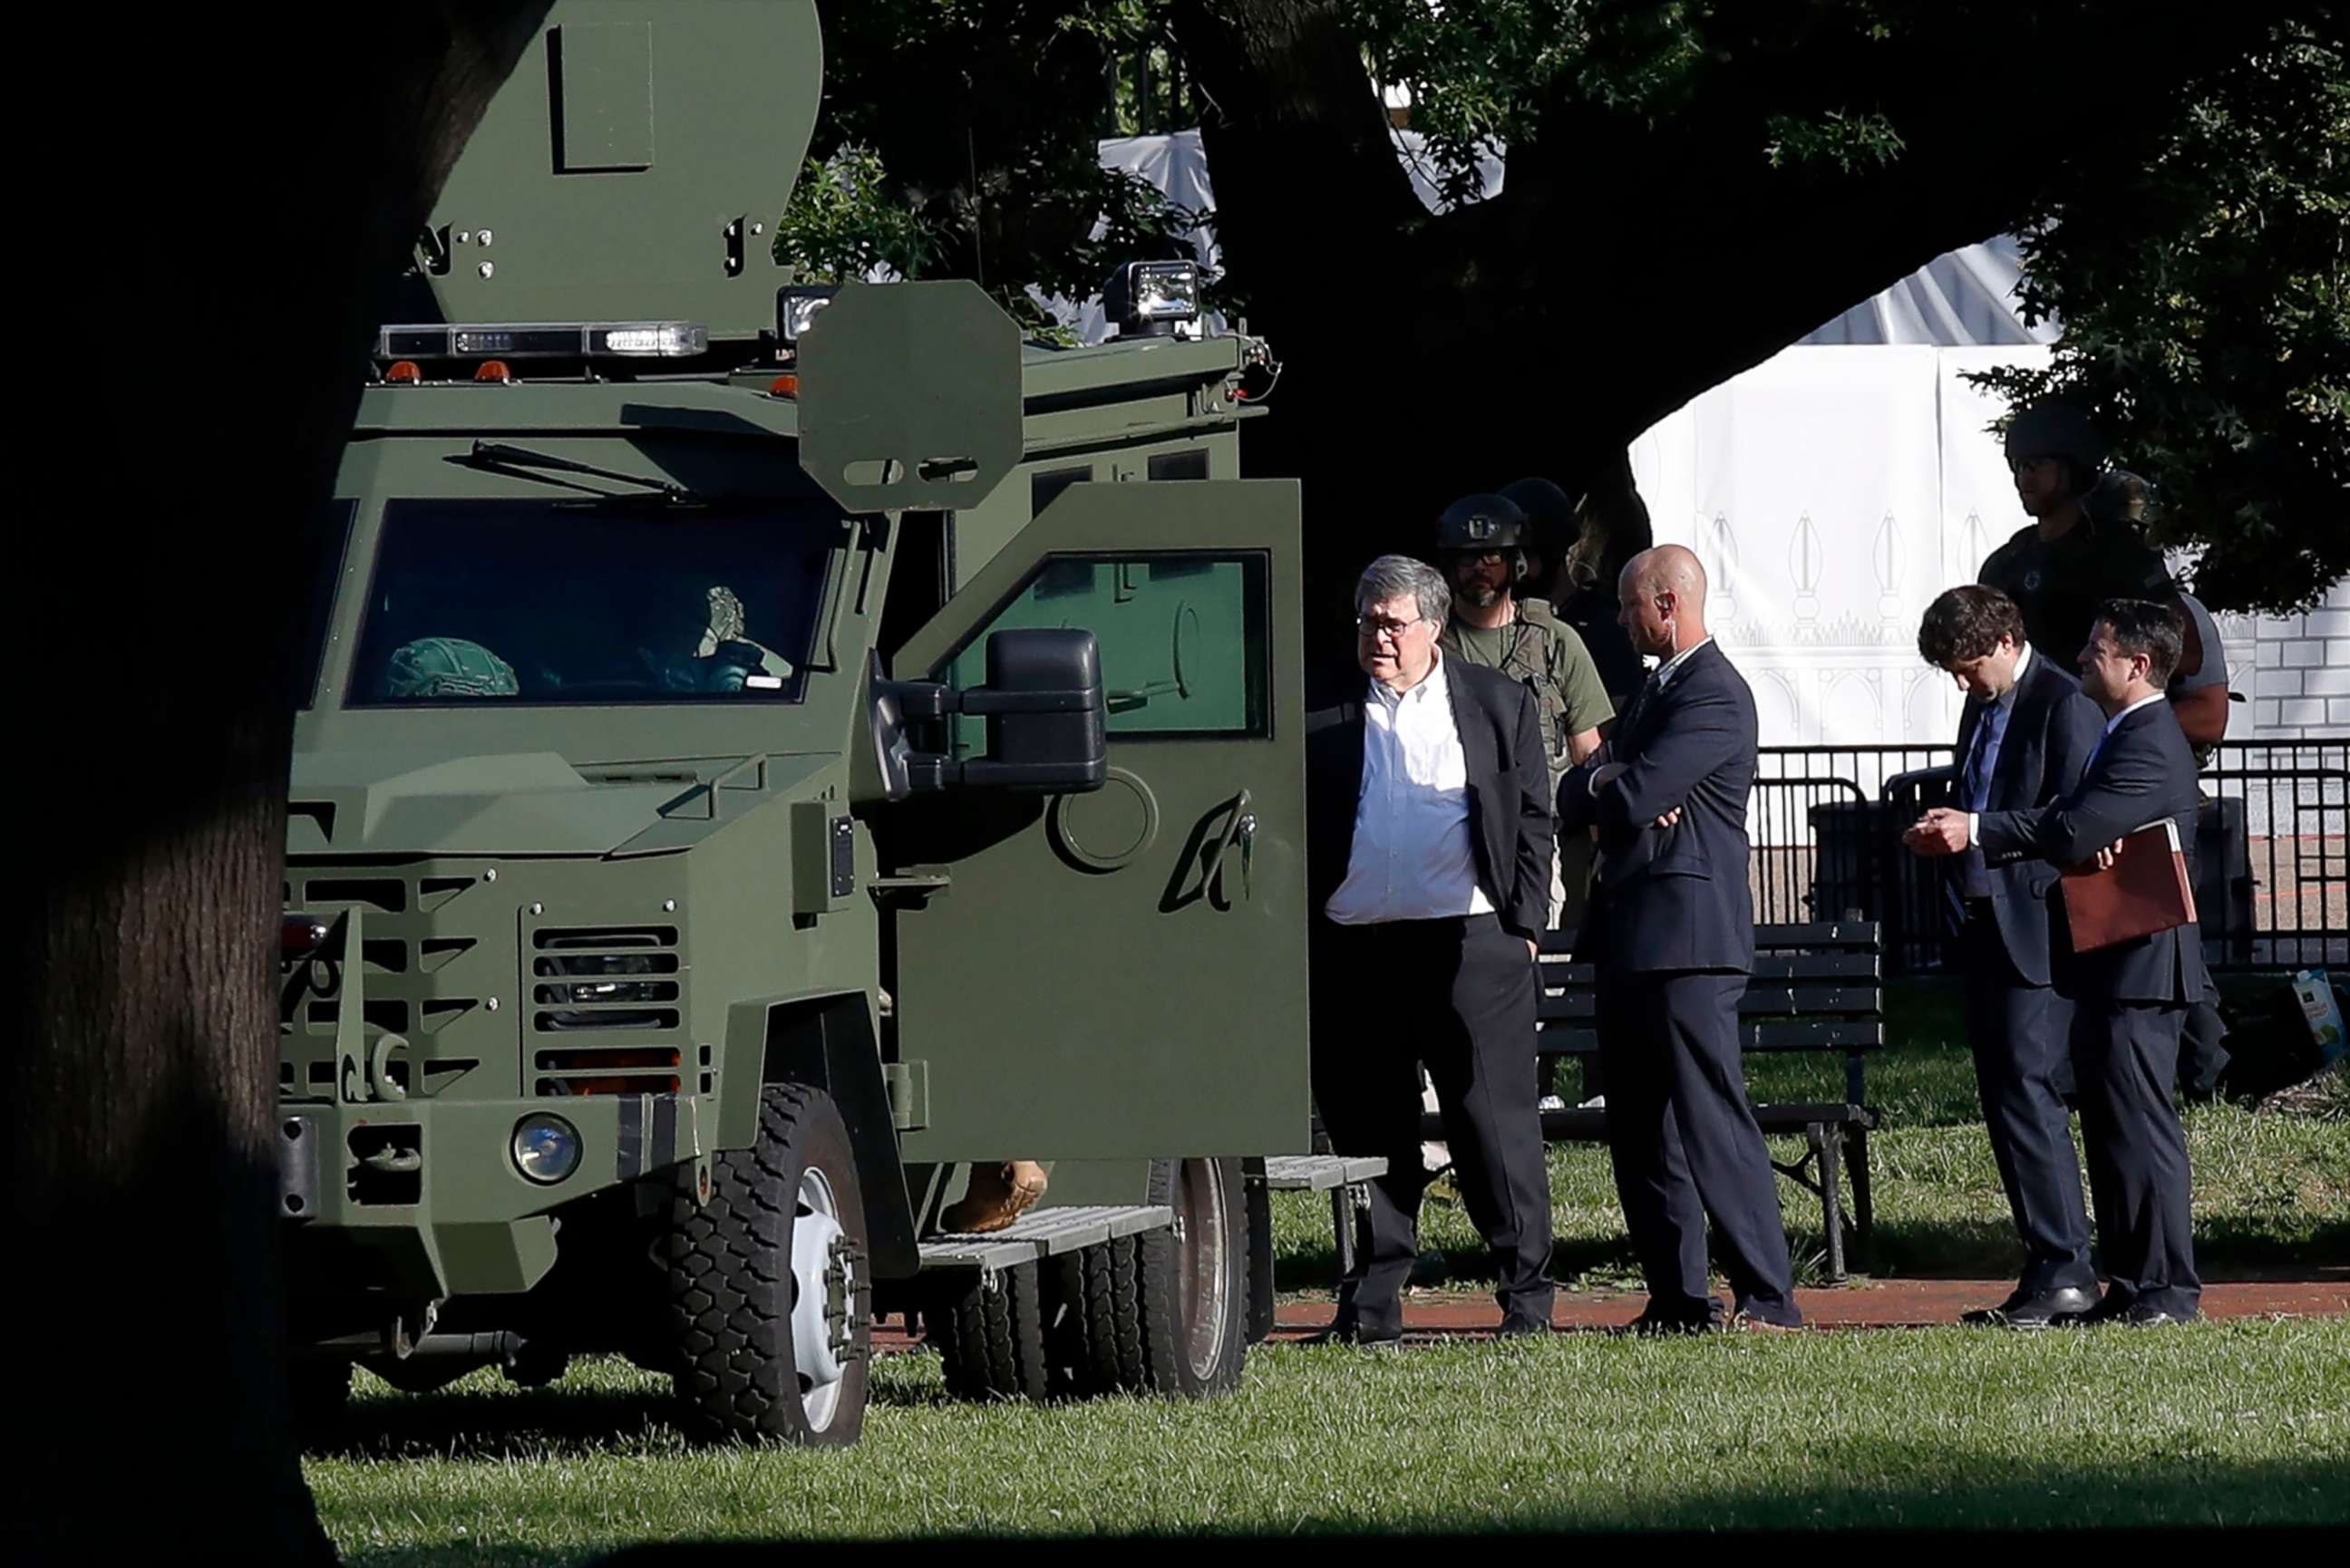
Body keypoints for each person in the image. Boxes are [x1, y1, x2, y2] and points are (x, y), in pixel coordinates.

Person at [1909, 599, 2207, 1326]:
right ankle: (2131, 1286)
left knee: (2139, 1125)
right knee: (2111, 1124)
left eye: (2097, 651)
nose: (2082, 660)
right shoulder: (2120, 730)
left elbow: (2076, 825)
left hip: (2124, 955)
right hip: (2101, 962)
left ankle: (2161, 1287)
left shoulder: (2134, 733)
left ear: (2136, 666)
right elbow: (2081, 819)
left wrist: (1984, 829)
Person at [1304, 555, 1558, 1347]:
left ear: (1434, 627)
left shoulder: (1491, 701)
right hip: (1355, 950)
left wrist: (1524, 926)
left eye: (1393, 623)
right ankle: (1372, 1305)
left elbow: (1534, 816)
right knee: (1369, 1130)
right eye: (1366, 621)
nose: (1377, 636)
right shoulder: (1321, 706)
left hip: (1472, 945)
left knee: (1492, 1124)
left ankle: (1526, 1299)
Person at [1556, 544, 1802, 1333]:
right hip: (1631, 934)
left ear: (1667, 603)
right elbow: (1591, 788)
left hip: (1690, 938)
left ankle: (1768, 1295)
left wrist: (1617, 785)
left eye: (1630, 608)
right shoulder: (1657, 690)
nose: (1621, 623)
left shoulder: (1714, 694)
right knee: (1641, 1126)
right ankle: (1676, 1298)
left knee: (1708, 1116)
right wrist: (1608, 783)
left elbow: (1635, 794)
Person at [1903, 587, 2103, 1327]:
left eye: (1967, 667)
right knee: (2003, 1096)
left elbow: (2073, 816)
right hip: (1984, 921)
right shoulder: (1983, 705)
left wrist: (1978, 829)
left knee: (2028, 1088)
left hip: (2039, 927)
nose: (1961, 683)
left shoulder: (2062, 702)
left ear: (2005, 640)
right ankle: (2042, 1264)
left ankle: (2068, 1266)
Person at [1432, 491, 1612, 924]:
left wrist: (1602, 842)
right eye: (1467, 558)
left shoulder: (1555, 642)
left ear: (1516, 563)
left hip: (1540, 843)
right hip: (1451, 843)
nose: (1479, 569)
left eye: (1492, 555)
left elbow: (1590, 751)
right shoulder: (1430, 649)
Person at [1979, 401, 2172, 665]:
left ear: (2073, 467)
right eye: (2018, 465)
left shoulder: (2119, 556)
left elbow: (2185, 652)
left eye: (2036, 465)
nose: (2024, 479)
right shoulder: (2007, 563)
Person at [1514, 474, 1649, 712]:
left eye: (1524, 553)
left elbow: (1615, 724)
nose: (1514, 566)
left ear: (1551, 549)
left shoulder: (1603, 627)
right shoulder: (1506, 623)